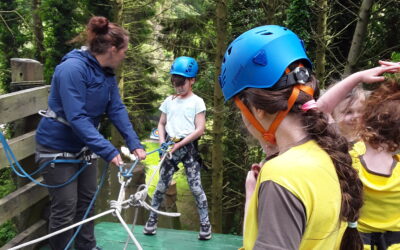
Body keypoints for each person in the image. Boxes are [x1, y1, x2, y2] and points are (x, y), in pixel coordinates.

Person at [219, 25, 364, 250]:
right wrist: (252, 195)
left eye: (240, 109)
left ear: (258, 109)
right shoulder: (329, 152)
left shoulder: (282, 175)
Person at [35, 16, 146, 250]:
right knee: (65, 207)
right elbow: (77, 117)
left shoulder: (105, 72)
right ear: (113, 49)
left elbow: (115, 108)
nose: (125, 55)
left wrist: (133, 142)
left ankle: (87, 247)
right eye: (124, 50)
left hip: (84, 149)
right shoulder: (72, 69)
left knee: (87, 202)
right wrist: (107, 149)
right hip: (56, 149)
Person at [317, 62, 400, 249]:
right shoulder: (337, 151)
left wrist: (357, 77)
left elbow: (316, 111)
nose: (355, 117)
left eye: (360, 111)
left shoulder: (341, 156)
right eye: (348, 112)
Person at [143, 56, 211, 240]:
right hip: (169, 148)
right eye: (175, 82)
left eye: (181, 82)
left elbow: (200, 129)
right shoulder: (169, 101)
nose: (178, 86)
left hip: (187, 149)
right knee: (160, 187)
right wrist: (162, 143)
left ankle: (205, 224)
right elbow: (161, 123)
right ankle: (152, 220)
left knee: (196, 188)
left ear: (192, 80)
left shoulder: (198, 102)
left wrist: (179, 144)